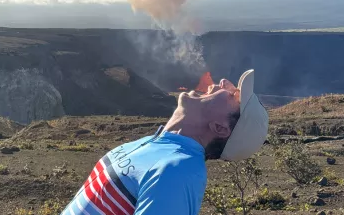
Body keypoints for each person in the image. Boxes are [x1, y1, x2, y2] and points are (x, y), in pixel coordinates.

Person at [61, 69, 269, 215]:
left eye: (233, 95)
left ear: (220, 128)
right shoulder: (157, 148)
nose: (223, 83)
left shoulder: (177, 171)